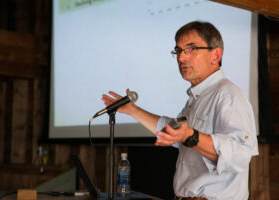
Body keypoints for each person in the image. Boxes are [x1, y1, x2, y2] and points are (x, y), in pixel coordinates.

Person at [102, 21, 259, 200]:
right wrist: (133, 110)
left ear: (215, 55)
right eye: (178, 50)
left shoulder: (227, 95)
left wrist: (191, 136)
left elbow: (240, 155)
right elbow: (173, 131)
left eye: (190, 49)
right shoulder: (198, 96)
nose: (181, 58)